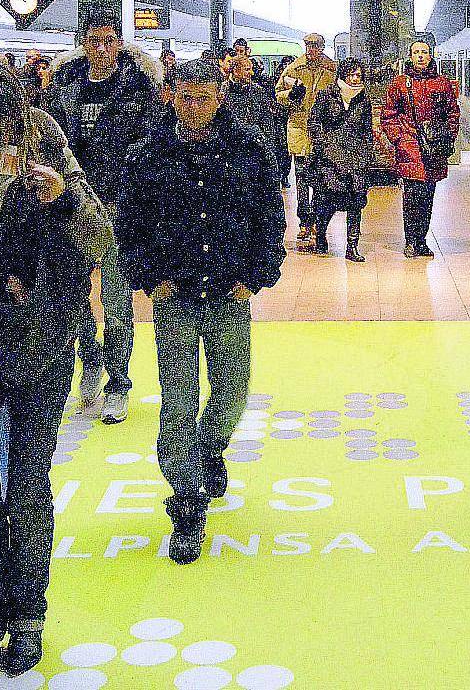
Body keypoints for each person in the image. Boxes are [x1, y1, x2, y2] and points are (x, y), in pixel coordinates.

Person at [114, 59, 286, 564]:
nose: (195, 107)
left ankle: (210, 448)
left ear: (221, 98)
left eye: (205, 98)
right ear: (173, 96)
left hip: (229, 293)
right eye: (187, 96)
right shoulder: (147, 156)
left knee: (233, 392)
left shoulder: (249, 152)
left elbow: (268, 218)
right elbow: (130, 224)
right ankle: (186, 503)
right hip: (176, 297)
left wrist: (254, 278)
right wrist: (152, 278)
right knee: (178, 398)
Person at [0, 58, 112, 679]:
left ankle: (26, 614)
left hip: (39, 341)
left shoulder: (47, 139)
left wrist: (63, 194)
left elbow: (97, 237)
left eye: (5, 118)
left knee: (28, 483)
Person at [46, 9, 163, 423]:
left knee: (116, 303)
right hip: (71, 209)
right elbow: (50, 143)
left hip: (118, 209)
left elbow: (149, 147)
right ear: (84, 42)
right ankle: (90, 359)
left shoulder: (139, 88)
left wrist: (132, 199)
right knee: (73, 298)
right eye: (93, 41)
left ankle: (118, 382)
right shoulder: (63, 87)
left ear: (119, 42)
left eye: (108, 41)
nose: (101, 50)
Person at [381, 39, 460, 259]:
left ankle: (422, 240)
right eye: (416, 52)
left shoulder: (442, 83)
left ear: (431, 55)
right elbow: (388, 116)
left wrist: (446, 137)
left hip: (433, 149)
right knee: (411, 196)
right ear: (410, 56)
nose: (420, 56)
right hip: (410, 147)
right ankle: (411, 241)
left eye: (424, 52)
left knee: (428, 196)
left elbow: (452, 113)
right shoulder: (399, 84)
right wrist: (399, 139)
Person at [308, 57, 376, 262]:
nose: (356, 79)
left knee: (356, 203)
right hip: (330, 159)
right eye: (352, 74)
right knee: (326, 203)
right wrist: (322, 144)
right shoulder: (327, 94)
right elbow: (314, 122)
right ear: (343, 74)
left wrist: (365, 154)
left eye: (359, 75)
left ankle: (352, 246)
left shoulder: (364, 100)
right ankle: (320, 235)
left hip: (355, 160)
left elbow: (366, 130)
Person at [275, 34, 337, 249]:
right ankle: (305, 220)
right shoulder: (293, 68)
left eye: (316, 45)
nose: (312, 49)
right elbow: (278, 94)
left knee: (321, 179)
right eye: (309, 45)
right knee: (301, 177)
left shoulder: (331, 69)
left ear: (322, 46)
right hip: (299, 128)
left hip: (323, 132)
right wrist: (291, 95)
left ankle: (319, 222)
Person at [224, 54, 276, 147]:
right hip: (230, 147)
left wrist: (268, 145)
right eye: (247, 69)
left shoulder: (258, 91)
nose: (252, 73)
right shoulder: (222, 92)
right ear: (235, 71)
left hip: (255, 147)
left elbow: (267, 122)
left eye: (251, 69)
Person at [271, 56, 295, 189]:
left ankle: (284, 175)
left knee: (286, 150)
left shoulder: (298, 80)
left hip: (290, 118)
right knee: (279, 148)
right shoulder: (275, 81)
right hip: (277, 119)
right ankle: (279, 175)